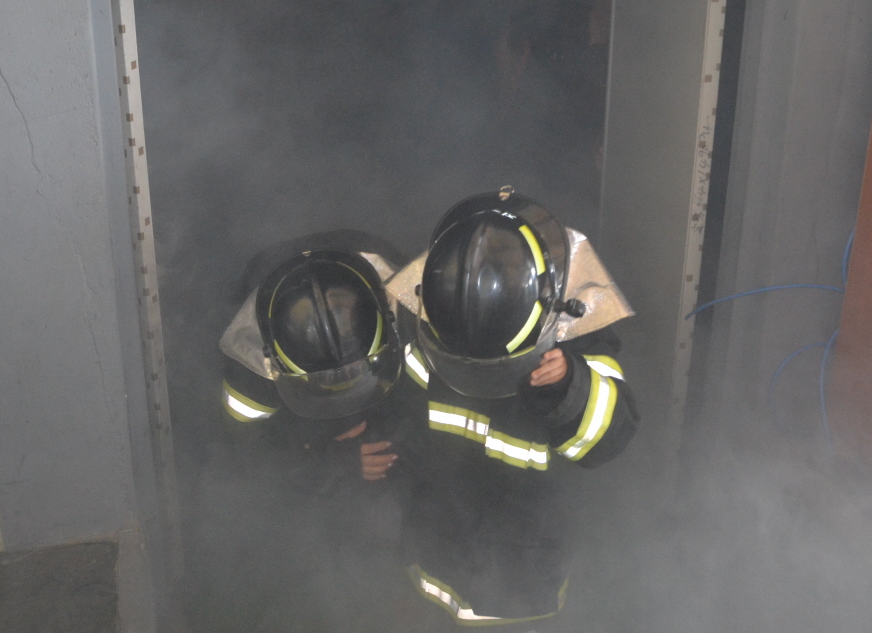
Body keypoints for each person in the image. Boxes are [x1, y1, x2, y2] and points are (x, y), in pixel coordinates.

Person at [385, 189, 639, 629]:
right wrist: (383, 451)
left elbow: (607, 438)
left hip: (521, 576)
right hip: (438, 544)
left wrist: (569, 386)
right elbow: (405, 413)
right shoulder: (433, 321)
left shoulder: (579, 334)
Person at [212, 231, 418, 632]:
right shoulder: (251, 353)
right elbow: (245, 458)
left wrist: (396, 443)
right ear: (275, 358)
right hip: (309, 453)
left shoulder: (406, 304)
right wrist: (329, 460)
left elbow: (431, 411)